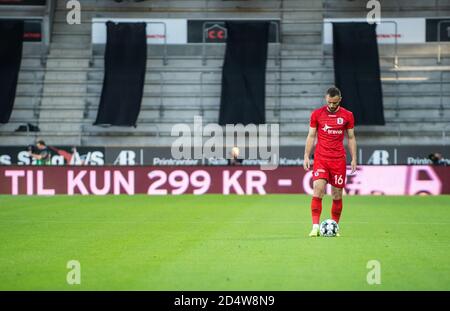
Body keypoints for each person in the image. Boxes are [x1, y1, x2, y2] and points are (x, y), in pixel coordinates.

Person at [303, 87, 357, 237]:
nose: (332, 105)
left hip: (338, 160)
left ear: (340, 99)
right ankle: (315, 227)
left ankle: (335, 227)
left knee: (337, 194)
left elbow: (351, 137)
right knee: (318, 189)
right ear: (326, 99)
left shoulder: (348, 115)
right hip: (321, 158)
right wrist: (306, 155)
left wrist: (354, 158)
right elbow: (311, 135)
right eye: (329, 102)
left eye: (334, 102)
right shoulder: (317, 114)